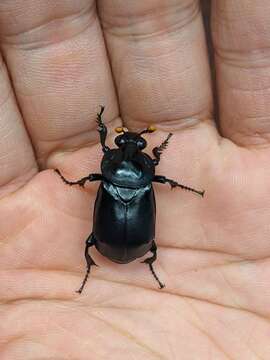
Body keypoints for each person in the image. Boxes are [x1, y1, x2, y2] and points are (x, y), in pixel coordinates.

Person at [0, 1, 269, 358]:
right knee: (96, 238)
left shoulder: (108, 172)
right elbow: (156, 171)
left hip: (119, 242)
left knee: (89, 241)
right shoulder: (144, 175)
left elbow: (114, 156)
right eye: (129, 142)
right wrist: (164, 162)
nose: (127, 145)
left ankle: (93, 272)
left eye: (131, 143)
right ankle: (135, 269)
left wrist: (98, 140)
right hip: (135, 243)